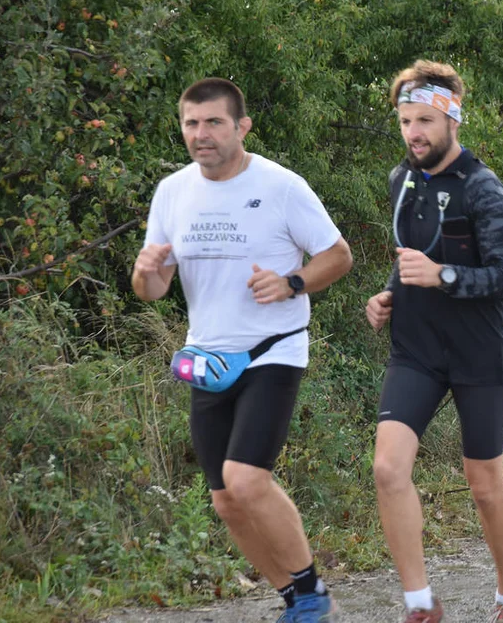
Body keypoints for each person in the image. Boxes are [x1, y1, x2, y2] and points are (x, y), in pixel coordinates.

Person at [132, 77, 353, 623]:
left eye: (213, 123)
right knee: (225, 499)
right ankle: (295, 600)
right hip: (208, 358)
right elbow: (153, 290)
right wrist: (144, 275)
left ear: (242, 127)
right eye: (191, 123)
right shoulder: (173, 192)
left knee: (247, 478)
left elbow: (338, 255)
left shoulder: (281, 186)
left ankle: (312, 590)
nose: (200, 134)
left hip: (273, 349)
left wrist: (292, 283)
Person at [365, 60, 503, 623]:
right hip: (416, 354)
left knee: (484, 487)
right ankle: (420, 604)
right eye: (406, 120)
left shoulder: (483, 188)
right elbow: (408, 252)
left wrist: (445, 277)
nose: (414, 132)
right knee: (388, 469)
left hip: (477, 356)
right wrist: (387, 295)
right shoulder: (400, 180)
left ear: (452, 119)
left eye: (425, 121)